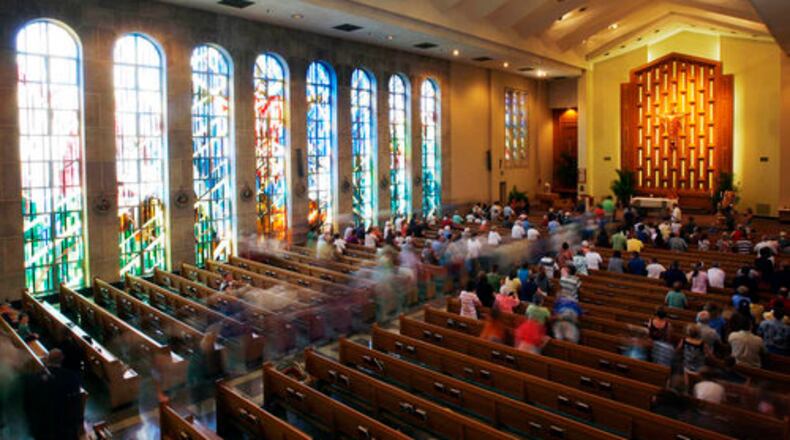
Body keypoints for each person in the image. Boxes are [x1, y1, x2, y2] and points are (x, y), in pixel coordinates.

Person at [24, 349, 83, 440]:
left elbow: (28, 404)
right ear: (62, 359)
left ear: (47, 360)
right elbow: (76, 402)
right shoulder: (71, 377)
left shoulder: (33, 379)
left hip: (43, 427)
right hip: (64, 426)